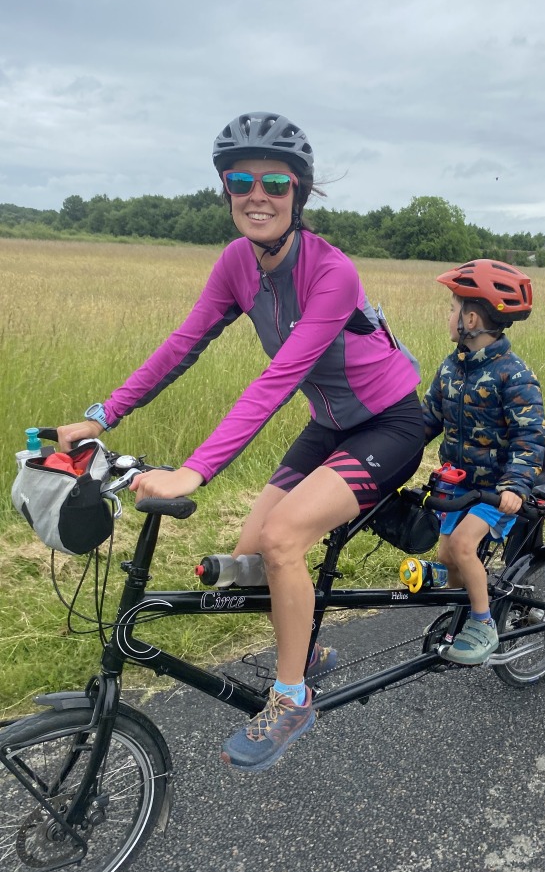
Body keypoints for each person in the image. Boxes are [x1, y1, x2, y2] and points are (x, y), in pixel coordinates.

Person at [57, 111, 424, 772]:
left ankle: (292, 697)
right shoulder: (235, 264)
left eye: (275, 182)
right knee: (250, 554)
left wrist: (193, 473)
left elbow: (280, 378)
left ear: (298, 193)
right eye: (241, 179)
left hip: (391, 421)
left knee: (284, 541)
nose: (257, 194)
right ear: (226, 189)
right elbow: (182, 345)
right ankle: (308, 648)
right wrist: (101, 415)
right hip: (332, 425)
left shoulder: (331, 272)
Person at [422, 259, 545, 664]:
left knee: (461, 545)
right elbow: (429, 418)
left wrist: (515, 486)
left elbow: (529, 439)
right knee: (445, 555)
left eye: (452, 306)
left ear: (470, 318)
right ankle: (462, 611)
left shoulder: (515, 376)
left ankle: (484, 622)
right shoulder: (451, 367)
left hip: (495, 490)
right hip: (458, 482)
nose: (447, 314)